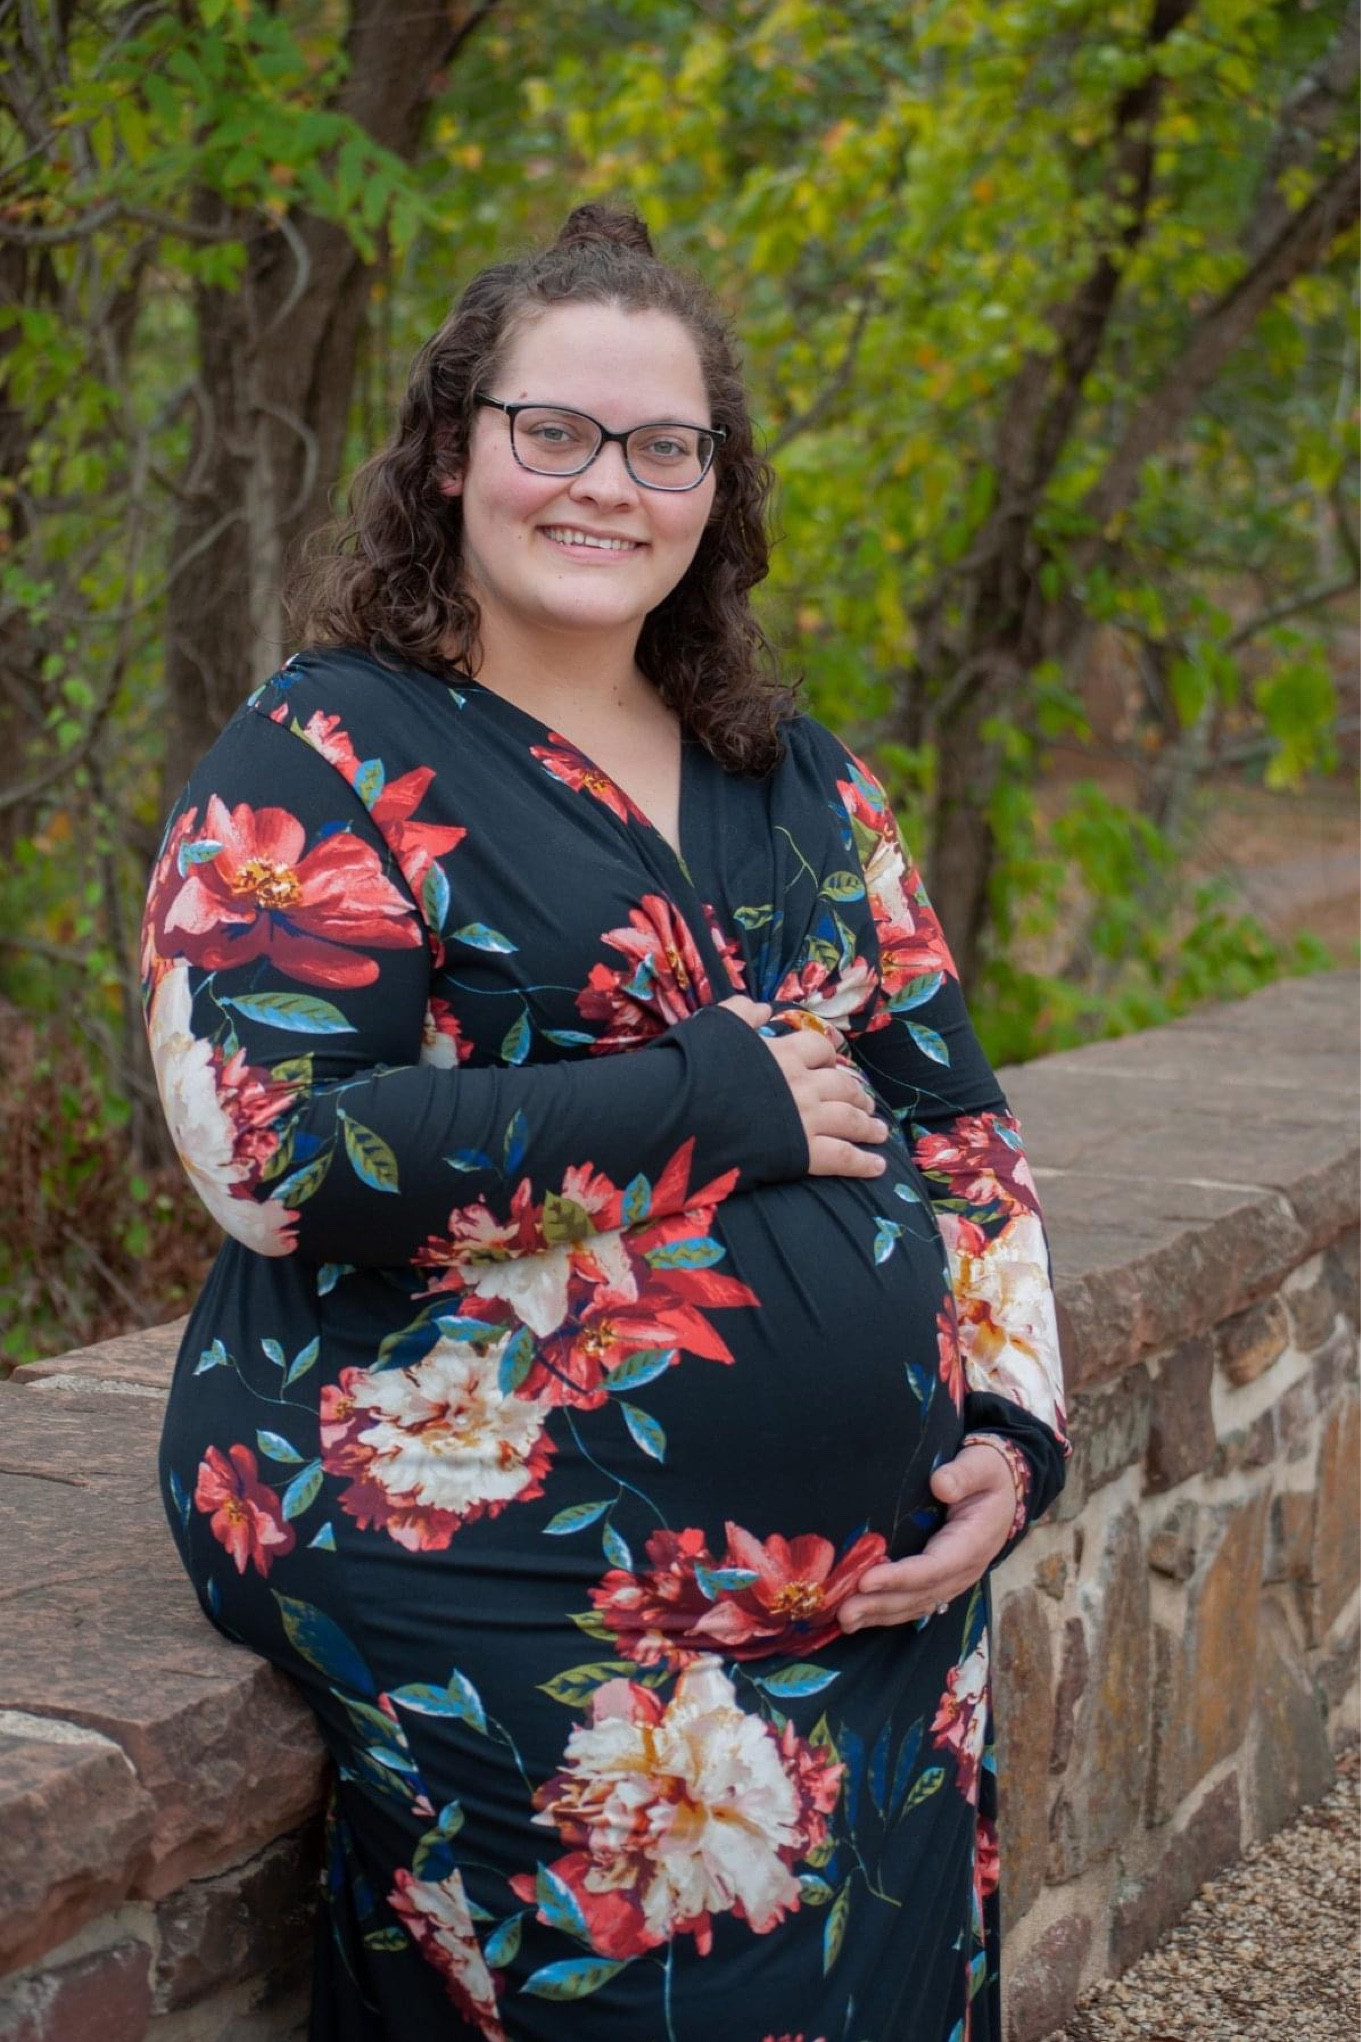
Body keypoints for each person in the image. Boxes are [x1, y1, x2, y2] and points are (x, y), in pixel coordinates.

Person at [141, 202, 1069, 2042]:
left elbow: (955, 1131)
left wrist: (1011, 1417)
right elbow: (271, 1146)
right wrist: (702, 1098)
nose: (603, 484)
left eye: (662, 447)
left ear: (713, 488)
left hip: (866, 1587)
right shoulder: (320, 757)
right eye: (548, 429)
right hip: (502, 1566)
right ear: (450, 448)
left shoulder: (805, 784)